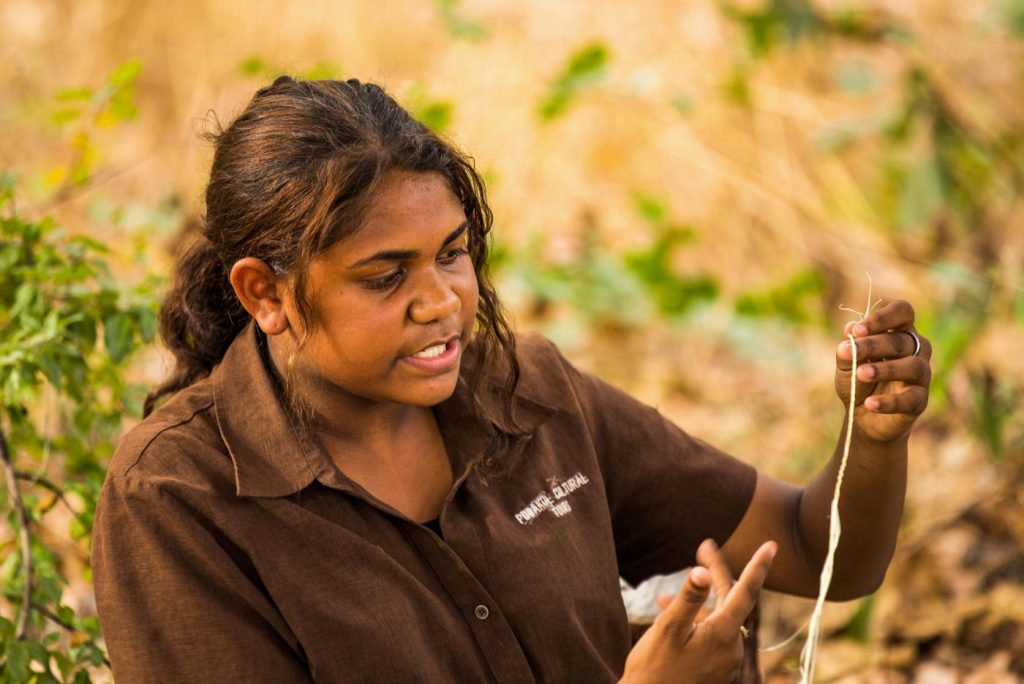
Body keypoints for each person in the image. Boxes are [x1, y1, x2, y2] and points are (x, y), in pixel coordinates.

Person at [91, 77, 932, 683]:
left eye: (452, 254)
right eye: (386, 276)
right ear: (264, 293)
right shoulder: (178, 496)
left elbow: (825, 555)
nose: (443, 302)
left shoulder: (526, 392)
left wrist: (873, 437)